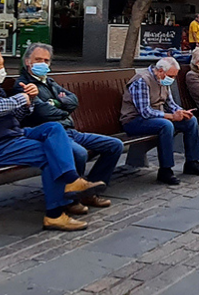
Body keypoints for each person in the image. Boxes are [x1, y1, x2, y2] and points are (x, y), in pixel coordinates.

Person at [0, 43, 104, 231]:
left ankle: (71, 181)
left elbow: (13, 118)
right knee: (49, 153)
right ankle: (54, 214)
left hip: (10, 137)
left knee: (53, 129)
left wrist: (28, 103)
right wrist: (19, 98)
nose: (3, 69)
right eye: (1, 64)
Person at [17, 43, 123, 216]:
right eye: (38, 60)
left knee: (114, 145)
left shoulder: (49, 82)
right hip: (51, 135)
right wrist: (62, 107)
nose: (43, 63)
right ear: (28, 62)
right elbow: (42, 113)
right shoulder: (23, 85)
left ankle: (89, 191)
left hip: (71, 131)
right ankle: (71, 199)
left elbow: (73, 100)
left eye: (46, 60)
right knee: (79, 153)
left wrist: (56, 104)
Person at [121, 56, 199, 185]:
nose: (172, 79)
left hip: (155, 118)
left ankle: (193, 162)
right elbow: (145, 112)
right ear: (160, 71)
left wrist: (181, 112)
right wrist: (171, 116)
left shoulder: (163, 80)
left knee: (190, 121)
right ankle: (165, 170)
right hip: (134, 120)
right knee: (166, 125)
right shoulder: (142, 81)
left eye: (174, 76)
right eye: (171, 76)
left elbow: (170, 103)